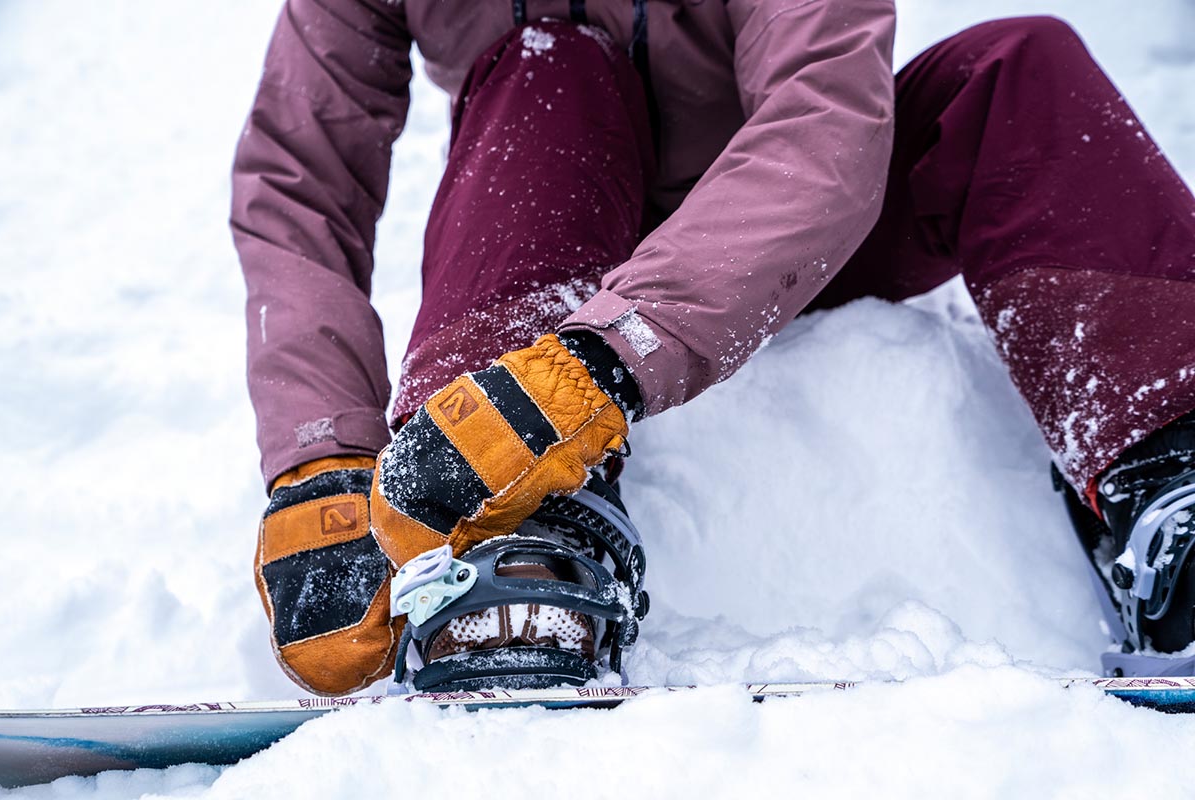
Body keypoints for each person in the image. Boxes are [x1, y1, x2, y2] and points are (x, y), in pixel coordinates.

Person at [232, 1, 1195, 695]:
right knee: (550, 64)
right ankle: (517, 526)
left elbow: (826, 119)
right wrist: (320, 457)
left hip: (779, 236)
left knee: (1020, 71)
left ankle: (1170, 483)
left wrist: (607, 359)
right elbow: (300, 186)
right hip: (540, 236)